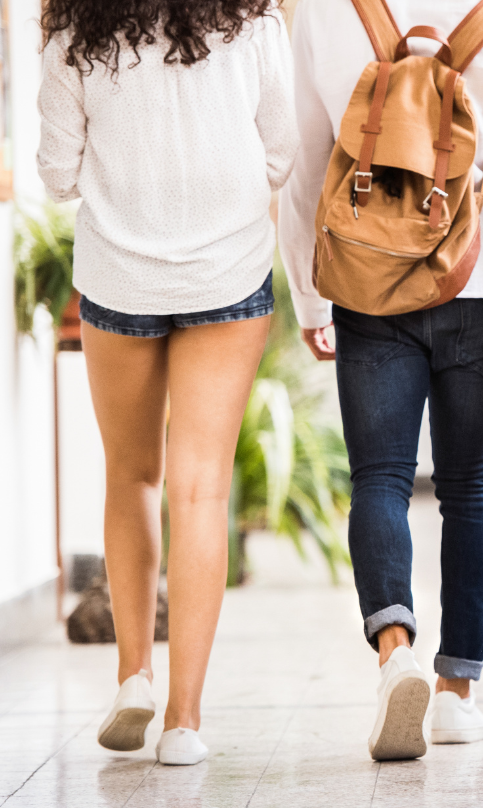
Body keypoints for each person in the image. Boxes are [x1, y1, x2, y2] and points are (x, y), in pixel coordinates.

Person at [280, 0, 483, 761]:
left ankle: (394, 652)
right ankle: (454, 695)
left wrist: (311, 295)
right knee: (468, 488)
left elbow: (306, 166)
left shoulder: (323, 12)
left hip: (367, 284)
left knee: (378, 478)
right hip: (475, 284)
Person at [37, 0, 297, 765]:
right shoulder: (252, 26)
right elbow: (278, 154)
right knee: (200, 490)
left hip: (119, 279)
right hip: (227, 274)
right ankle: (184, 721)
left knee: (132, 476)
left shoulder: (71, 34)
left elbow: (55, 175)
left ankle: (132, 677)